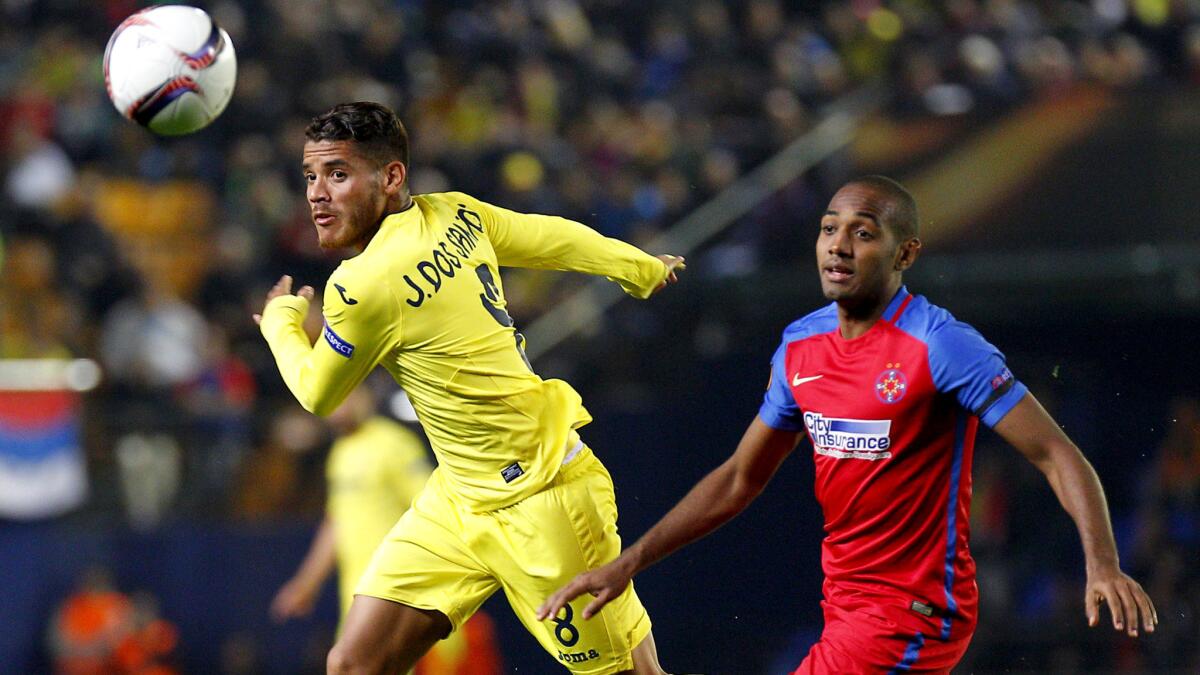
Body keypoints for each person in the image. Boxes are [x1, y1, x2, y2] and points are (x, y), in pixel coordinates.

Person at [539, 176, 1157, 672]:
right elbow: (738, 478)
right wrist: (631, 563)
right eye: (829, 229)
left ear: (905, 252)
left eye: (862, 233)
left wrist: (1102, 563)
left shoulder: (940, 345)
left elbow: (1054, 452)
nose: (838, 245)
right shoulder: (800, 346)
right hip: (845, 606)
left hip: (911, 614)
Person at [254, 101, 683, 675]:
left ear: (391, 177)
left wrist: (282, 321)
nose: (316, 194)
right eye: (311, 176)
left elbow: (317, 393)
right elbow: (550, 238)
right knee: (353, 664)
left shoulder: (362, 285)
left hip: (542, 499)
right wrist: (637, 266)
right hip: (457, 498)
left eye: (337, 174)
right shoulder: (457, 215)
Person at [270, 386, 502, 674]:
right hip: (357, 597)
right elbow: (336, 523)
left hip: (403, 593)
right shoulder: (340, 455)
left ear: (363, 395)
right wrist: (307, 583)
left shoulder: (394, 444)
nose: (338, 406)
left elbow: (442, 511)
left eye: (346, 394)